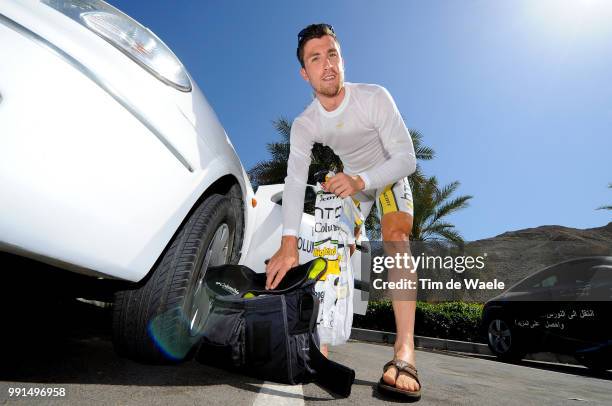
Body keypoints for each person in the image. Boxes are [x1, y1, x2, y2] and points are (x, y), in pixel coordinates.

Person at [265, 23, 421, 400]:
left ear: (342, 59)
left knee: (397, 237)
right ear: (305, 73)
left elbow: (407, 158)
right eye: (316, 58)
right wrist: (287, 245)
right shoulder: (305, 123)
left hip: (384, 176)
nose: (327, 64)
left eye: (332, 54)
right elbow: (293, 177)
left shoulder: (374, 97)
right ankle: (321, 342)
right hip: (353, 185)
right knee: (325, 239)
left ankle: (405, 351)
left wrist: (360, 180)